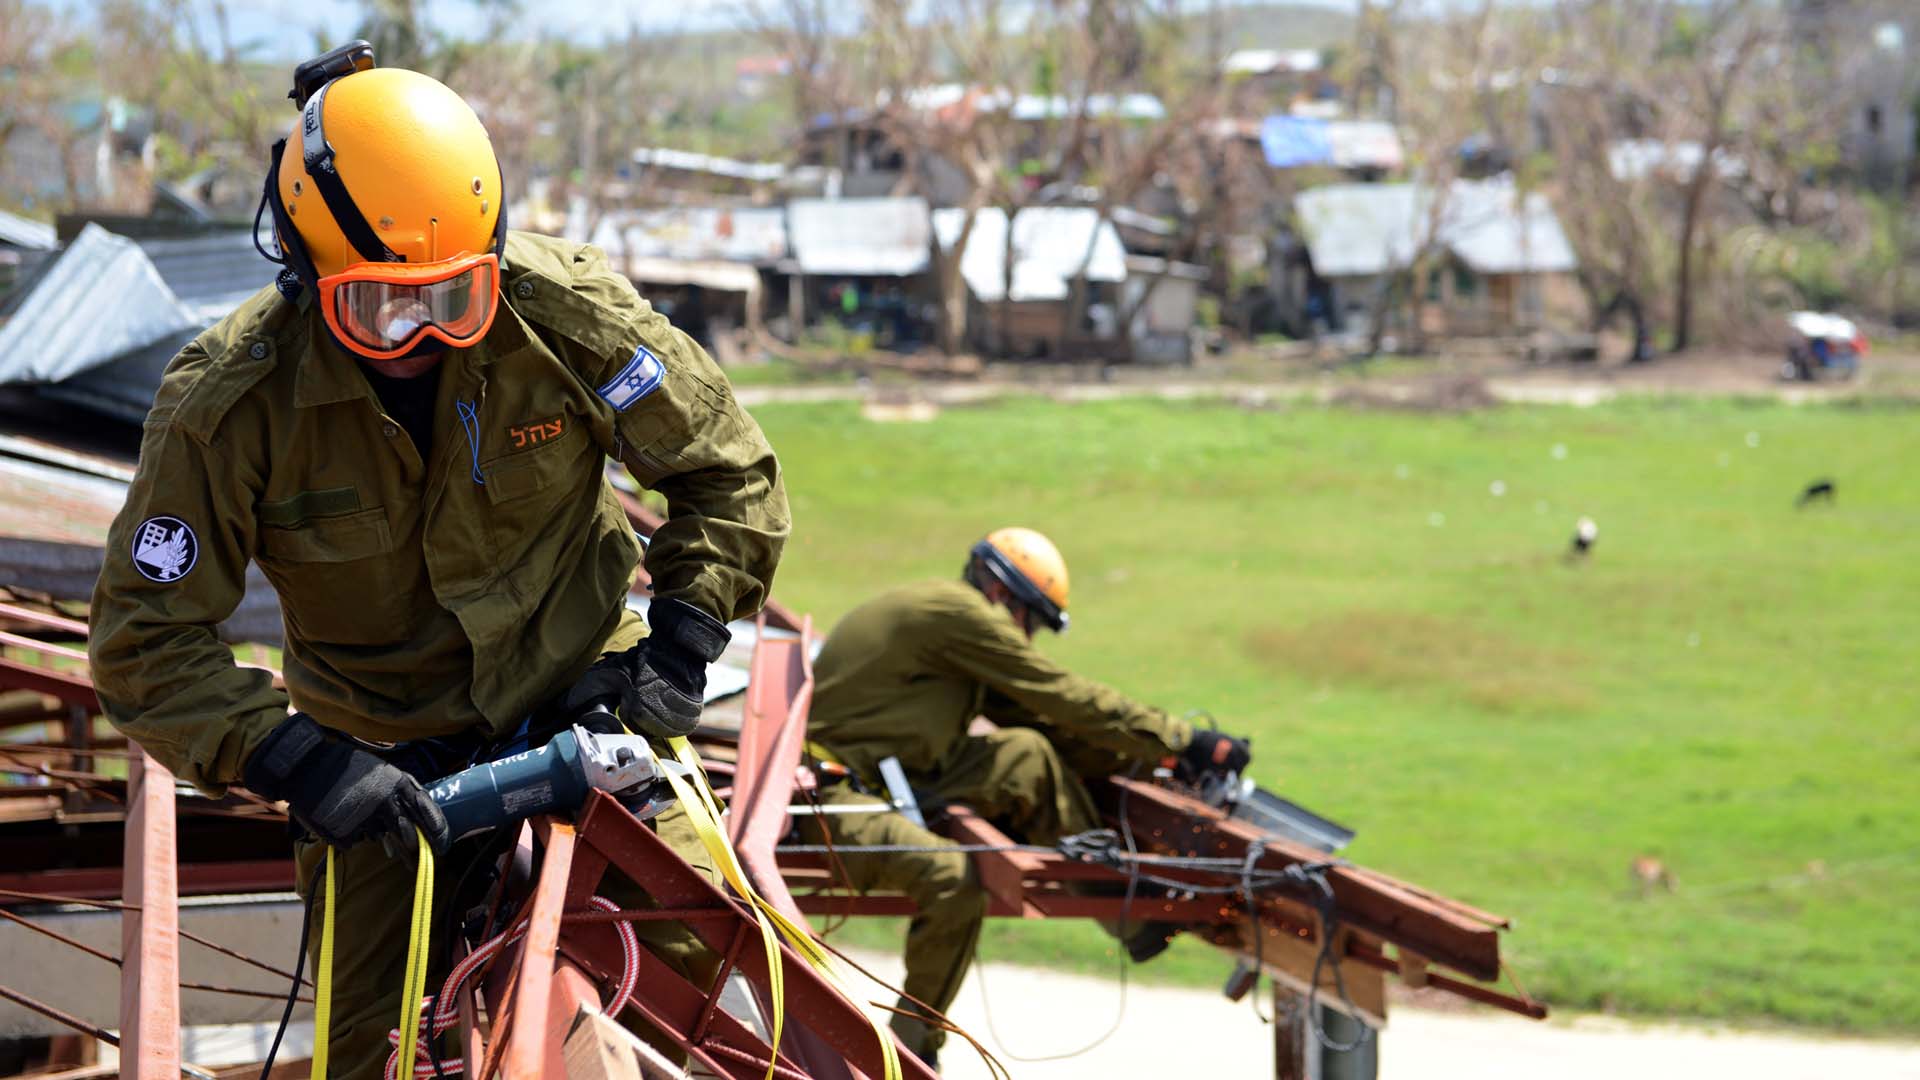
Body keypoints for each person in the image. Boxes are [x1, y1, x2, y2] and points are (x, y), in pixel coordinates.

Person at [86, 46, 789, 1078]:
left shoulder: (566, 318)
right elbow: (143, 641)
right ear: (301, 265)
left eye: (453, 298)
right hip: (381, 761)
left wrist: (675, 652)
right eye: (376, 306)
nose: (418, 332)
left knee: (723, 987)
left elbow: (729, 473)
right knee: (367, 1051)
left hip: (586, 706)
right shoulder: (228, 405)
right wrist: (299, 762)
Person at [800, 527, 1251, 1066]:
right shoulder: (959, 616)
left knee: (1025, 754)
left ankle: (1129, 915)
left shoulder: (951, 626)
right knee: (956, 884)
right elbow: (1058, 693)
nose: (1027, 638)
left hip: (888, 773)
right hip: (831, 792)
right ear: (1004, 594)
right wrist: (1183, 738)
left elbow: (1039, 722)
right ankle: (908, 1056)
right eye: (1030, 622)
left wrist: (1158, 760)